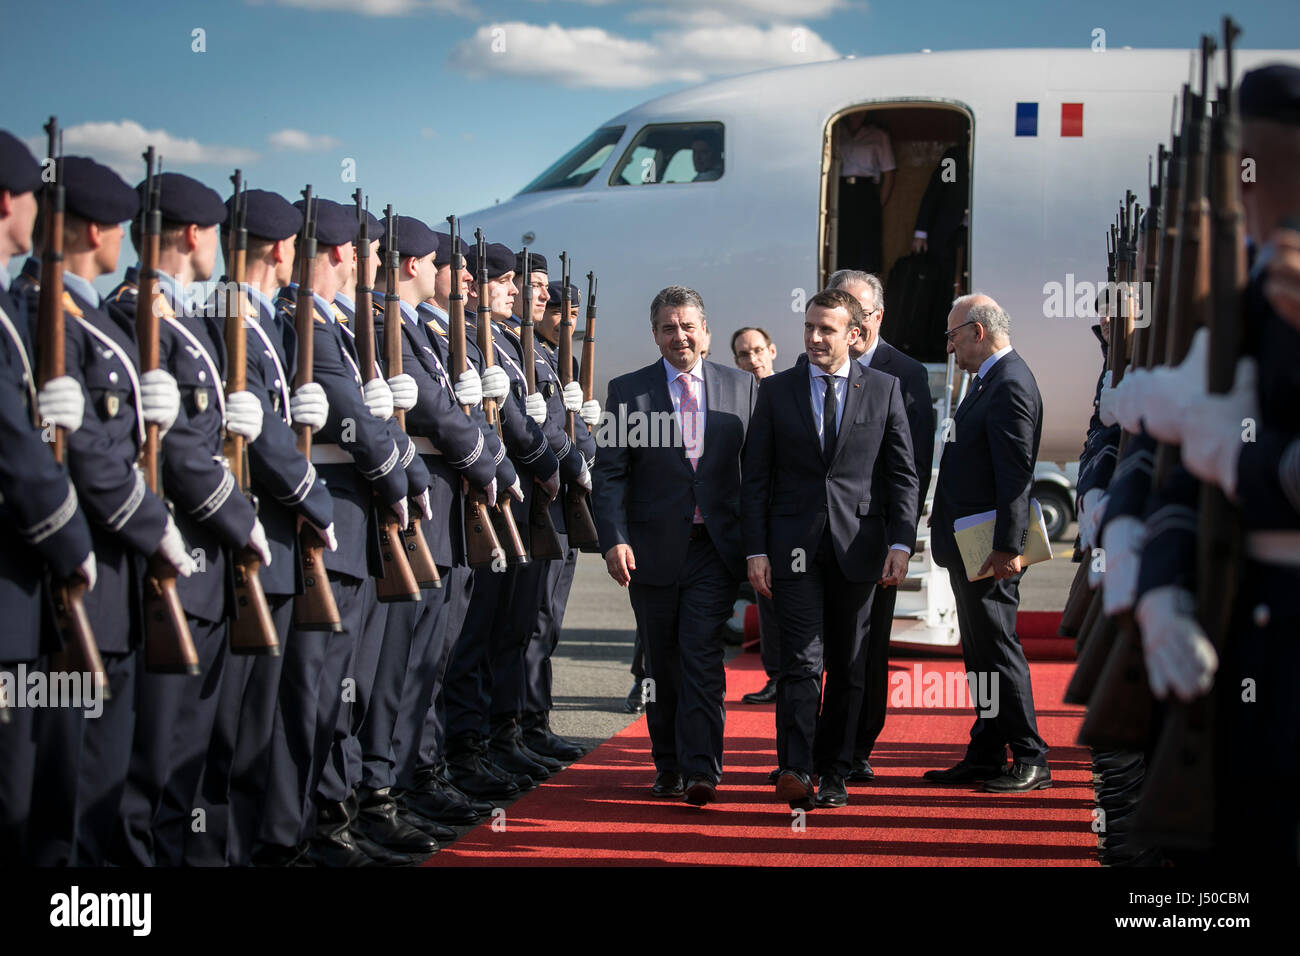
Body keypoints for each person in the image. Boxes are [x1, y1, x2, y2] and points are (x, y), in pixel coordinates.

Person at [743, 288, 917, 810]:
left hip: (859, 550)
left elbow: (902, 476)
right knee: (800, 662)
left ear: (854, 335)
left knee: (849, 665)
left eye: (827, 329)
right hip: (792, 550)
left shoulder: (884, 389)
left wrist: (902, 543)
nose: (815, 338)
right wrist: (756, 549)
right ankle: (795, 768)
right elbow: (755, 479)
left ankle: (835, 770)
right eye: (810, 327)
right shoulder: (776, 393)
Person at [591, 285, 756, 805]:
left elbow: (758, 473)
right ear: (656, 335)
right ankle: (667, 766)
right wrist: (613, 539)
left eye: (688, 326)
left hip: (715, 547)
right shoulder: (628, 391)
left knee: (702, 655)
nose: (679, 336)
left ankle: (702, 769)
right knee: (662, 663)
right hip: (652, 549)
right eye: (668, 327)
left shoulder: (743, 388)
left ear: (705, 331)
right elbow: (610, 475)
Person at [0, 132, 97, 865]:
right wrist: (74, 543)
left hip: (27, 578)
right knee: (16, 789)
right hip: (21, 574)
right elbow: (17, 454)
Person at [926, 294, 1051, 792]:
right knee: (979, 653)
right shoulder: (989, 381)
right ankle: (986, 751)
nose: (950, 346)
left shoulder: (1010, 383)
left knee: (997, 649)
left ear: (978, 332)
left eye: (953, 336)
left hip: (988, 549)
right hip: (969, 544)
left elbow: (1015, 475)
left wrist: (1007, 547)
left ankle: (1031, 756)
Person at [832, 270, 935, 781]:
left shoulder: (906, 374)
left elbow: (909, 466)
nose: (850, 321)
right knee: (816, 648)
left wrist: (902, 537)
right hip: (816, 538)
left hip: (874, 537)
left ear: (876, 317)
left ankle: (856, 748)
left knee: (867, 649)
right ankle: (815, 745)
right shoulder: (814, 363)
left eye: (860, 311)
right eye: (840, 308)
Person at [728, 326, 781, 705]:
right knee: (766, 600)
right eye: (744, 355)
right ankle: (776, 677)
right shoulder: (735, 401)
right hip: (753, 517)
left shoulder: (794, 391)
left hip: (793, 517)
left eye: (758, 351)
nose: (753, 360)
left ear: (772, 351)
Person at [836, 114, 895, 274]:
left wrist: (878, 204)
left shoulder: (879, 135)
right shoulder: (836, 130)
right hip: (841, 189)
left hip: (866, 190)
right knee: (842, 241)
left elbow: (889, 172)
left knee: (867, 245)